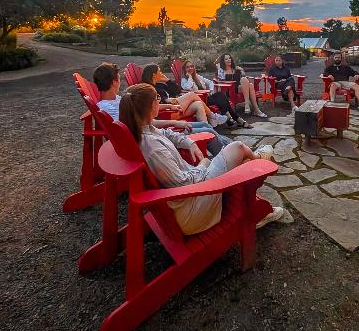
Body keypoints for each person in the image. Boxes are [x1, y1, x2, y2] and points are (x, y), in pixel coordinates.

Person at [119, 83, 285, 234]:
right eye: (157, 98)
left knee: (237, 159)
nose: (159, 101)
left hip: (192, 192)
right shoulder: (152, 147)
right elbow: (182, 183)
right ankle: (257, 160)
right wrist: (203, 164)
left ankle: (255, 197)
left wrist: (189, 143)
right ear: (151, 106)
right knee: (237, 148)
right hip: (193, 207)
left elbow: (167, 133)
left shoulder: (145, 130)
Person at [93, 62, 226, 151]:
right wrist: (175, 123)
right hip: (154, 137)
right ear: (114, 82)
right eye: (119, 78)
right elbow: (144, 124)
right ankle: (226, 155)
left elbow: (143, 115)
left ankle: (228, 147)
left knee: (205, 126)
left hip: (156, 131)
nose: (120, 81)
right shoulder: (109, 109)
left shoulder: (116, 100)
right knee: (207, 131)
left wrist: (168, 106)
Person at [141, 63, 232, 154]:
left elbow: (177, 90)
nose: (162, 73)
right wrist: (167, 102)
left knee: (198, 106)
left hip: (174, 110)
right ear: (154, 75)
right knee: (192, 95)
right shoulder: (149, 90)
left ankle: (228, 144)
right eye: (159, 71)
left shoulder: (159, 85)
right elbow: (156, 103)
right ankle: (226, 151)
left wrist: (167, 80)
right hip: (168, 113)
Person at [180, 59, 252, 129]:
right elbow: (187, 87)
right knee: (221, 97)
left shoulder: (197, 77)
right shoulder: (184, 80)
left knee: (221, 96)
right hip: (199, 101)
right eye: (188, 67)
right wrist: (189, 77)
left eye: (191, 66)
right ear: (184, 69)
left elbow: (210, 82)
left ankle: (231, 118)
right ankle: (236, 119)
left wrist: (211, 90)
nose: (190, 68)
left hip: (206, 97)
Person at [216, 53, 267, 118]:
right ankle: (255, 110)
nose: (229, 60)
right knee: (250, 85)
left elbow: (243, 77)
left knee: (248, 83)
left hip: (238, 88)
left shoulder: (235, 68)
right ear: (223, 61)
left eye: (229, 58)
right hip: (229, 89)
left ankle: (248, 106)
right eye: (226, 59)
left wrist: (242, 70)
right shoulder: (221, 70)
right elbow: (220, 81)